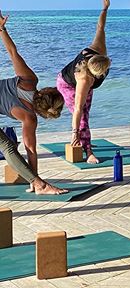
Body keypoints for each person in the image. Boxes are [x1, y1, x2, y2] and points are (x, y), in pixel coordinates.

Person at [0, 11, 67, 195]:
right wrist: (35, 179)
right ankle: (39, 185)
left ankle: (37, 184)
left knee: (7, 146)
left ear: (48, 91)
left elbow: (13, 53)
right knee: (7, 147)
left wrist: (2, 29)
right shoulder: (30, 118)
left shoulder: (29, 80)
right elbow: (31, 151)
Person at [57, 0, 112, 164]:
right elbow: (78, 109)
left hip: (80, 77)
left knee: (86, 112)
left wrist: (105, 8)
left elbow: (100, 27)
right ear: (95, 74)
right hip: (66, 84)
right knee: (82, 115)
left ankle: (85, 139)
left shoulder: (98, 48)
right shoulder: (84, 80)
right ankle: (87, 150)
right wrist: (74, 132)